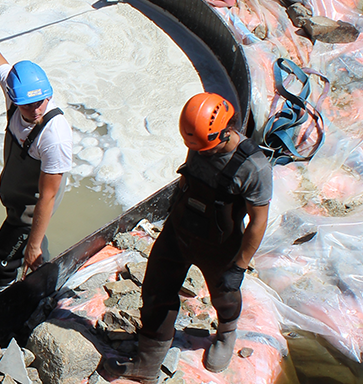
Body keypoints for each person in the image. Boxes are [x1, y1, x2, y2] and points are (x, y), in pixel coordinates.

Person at [105, 92, 272, 383]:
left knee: (224, 293)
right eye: (194, 146)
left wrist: (240, 265)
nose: (200, 152)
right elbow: (188, 176)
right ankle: (148, 364)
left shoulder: (253, 168)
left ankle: (226, 333)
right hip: (180, 230)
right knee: (156, 291)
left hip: (219, 244)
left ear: (225, 130)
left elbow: (258, 222)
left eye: (205, 148)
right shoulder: (199, 140)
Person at [0, 33, 73, 289]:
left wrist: (32, 245)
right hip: (17, 203)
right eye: (28, 105)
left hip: (30, 210)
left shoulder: (55, 136)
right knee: (25, 249)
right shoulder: (15, 94)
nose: (36, 110)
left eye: (40, 102)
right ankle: (42, 281)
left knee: (0, 264)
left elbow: (47, 197)